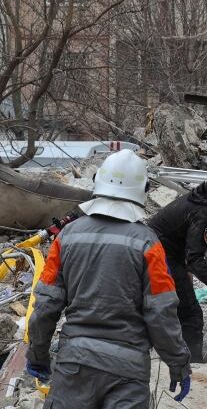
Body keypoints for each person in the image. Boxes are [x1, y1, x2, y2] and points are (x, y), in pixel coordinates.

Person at [26, 149, 191, 408]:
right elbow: (161, 312)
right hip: (128, 372)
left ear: (97, 180)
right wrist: (178, 362)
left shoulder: (66, 237)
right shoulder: (148, 243)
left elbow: (46, 305)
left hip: (74, 365)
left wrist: (38, 354)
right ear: (143, 189)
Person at [147, 174, 207, 363]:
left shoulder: (198, 199)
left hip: (154, 253)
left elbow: (183, 244)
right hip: (160, 258)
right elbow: (196, 260)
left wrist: (185, 272)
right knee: (191, 315)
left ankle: (171, 356)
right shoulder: (204, 213)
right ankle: (194, 368)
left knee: (171, 309)